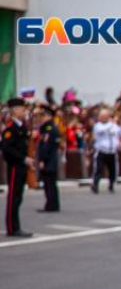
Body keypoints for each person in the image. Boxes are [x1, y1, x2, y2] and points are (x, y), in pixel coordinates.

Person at [2, 98, 34, 237]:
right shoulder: (11, 129)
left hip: (21, 166)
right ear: (14, 111)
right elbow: (7, 148)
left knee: (18, 197)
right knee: (13, 198)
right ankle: (12, 227)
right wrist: (23, 158)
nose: (24, 111)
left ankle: (16, 226)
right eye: (21, 108)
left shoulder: (22, 127)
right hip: (15, 166)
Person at [37, 108, 61, 212]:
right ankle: (53, 204)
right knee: (51, 184)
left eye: (43, 116)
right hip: (52, 159)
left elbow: (46, 146)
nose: (41, 118)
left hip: (49, 160)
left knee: (49, 184)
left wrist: (42, 159)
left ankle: (50, 205)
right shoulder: (52, 127)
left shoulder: (48, 128)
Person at [91, 108, 120, 194]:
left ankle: (111, 185)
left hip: (112, 151)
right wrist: (111, 124)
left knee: (112, 170)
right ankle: (95, 185)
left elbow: (117, 132)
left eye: (106, 116)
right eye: (103, 116)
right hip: (101, 151)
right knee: (99, 169)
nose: (104, 118)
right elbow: (101, 131)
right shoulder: (98, 125)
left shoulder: (112, 125)